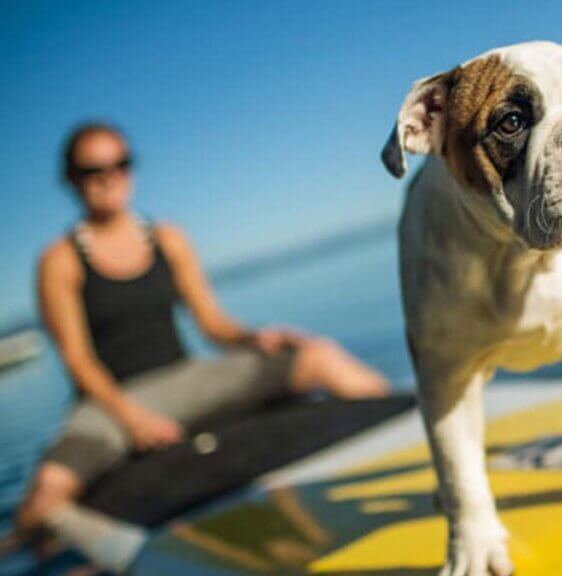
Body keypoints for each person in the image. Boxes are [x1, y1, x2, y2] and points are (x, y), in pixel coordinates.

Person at [10, 122, 389, 571]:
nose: (110, 177)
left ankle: (416, 433)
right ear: (71, 180)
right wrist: (133, 420)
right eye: (93, 169)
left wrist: (256, 337)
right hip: (111, 400)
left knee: (319, 356)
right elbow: (77, 359)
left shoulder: (167, 238)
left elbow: (212, 324)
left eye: (120, 164)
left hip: (186, 379)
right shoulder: (59, 260)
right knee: (46, 494)